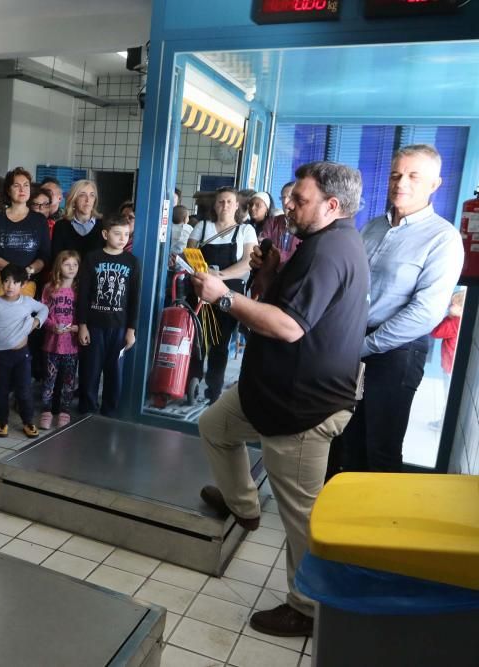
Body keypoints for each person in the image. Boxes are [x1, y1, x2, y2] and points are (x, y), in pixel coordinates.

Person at [192, 161, 369, 638]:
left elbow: (290, 327)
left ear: (332, 206)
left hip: (302, 410)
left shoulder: (330, 252)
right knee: (215, 427)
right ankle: (244, 506)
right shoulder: (316, 245)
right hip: (267, 393)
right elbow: (288, 307)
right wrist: (270, 275)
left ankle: (308, 607)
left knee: (300, 517)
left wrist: (222, 295)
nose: (287, 204)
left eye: (300, 200)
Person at [331, 144, 465, 474]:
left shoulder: (443, 238)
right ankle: (340, 517)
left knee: (381, 446)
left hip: (397, 353)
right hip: (352, 341)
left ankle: (379, 523)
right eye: (395, 174)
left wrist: (364, 346)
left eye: (413, 176)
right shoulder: (372, 227)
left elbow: (426, 311)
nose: (400, 182)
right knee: (345, 435)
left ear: (435, 184)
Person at [184, 187, 257, 403]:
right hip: (200, 289)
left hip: (228, 291)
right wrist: (203, 273)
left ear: (237, 206)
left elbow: (247, 263)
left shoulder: (246, 231)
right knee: (197, 339)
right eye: (220, 202)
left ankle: (213, 391)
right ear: (215, 205)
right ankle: (192, 380)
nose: (224, 205)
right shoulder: (202, 227)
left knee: (220, 342)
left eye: (229, 202)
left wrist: (220, 275)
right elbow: (190, 254)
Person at [76, 216, 139, 417]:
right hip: (94, 324)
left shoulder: (132, 262)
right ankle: (87, 410)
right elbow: (84, 294)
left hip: (119, 327)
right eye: (117, 233)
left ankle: (110, 412)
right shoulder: (92, 258)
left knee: (115, 372)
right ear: (105, 234)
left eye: (126, 234)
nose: (122, 238)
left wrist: (131, 330)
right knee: (90, 370)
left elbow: (134, 298)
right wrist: (82, 324)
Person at [0, 264, 49, 438]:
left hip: (22, 355)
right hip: (0, 355)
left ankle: (28, 421)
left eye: (15, 282)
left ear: (23, 284)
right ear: (1, 283)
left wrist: (36, 322)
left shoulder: (27, 302)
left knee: (24, 390)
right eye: (6, 281)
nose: (10, 286)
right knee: (1, 390)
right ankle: (2, 421)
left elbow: (44, 309)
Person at [0, 167, 50, 289]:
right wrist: (14, 272)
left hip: (28, 284)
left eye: (26, 185)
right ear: (8, 190)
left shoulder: (40, 220)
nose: (22, 189)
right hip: (0, 283)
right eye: (16, 185)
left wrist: (29, 271)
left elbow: (45, 255)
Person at [40, 251, 80, 429]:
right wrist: (51, 326)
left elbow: (85, 316)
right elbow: (42, 313)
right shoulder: (49, 288)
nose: (71, 268)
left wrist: (78, 327)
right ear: (59, 266)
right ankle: (46, 410)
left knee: (69, 380)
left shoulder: (79, 290)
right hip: (52, 343)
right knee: (49, 379)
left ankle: (65, 410)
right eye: (67, 264)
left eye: (75, 265)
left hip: (72, 345)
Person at [51, 180, 104, 259]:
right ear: (73, 199)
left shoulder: (104, 225)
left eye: (92, 195)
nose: (88, 200)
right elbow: (56, 259)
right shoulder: (61, 226)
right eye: (82, 195)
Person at [256, 181, 300, 270]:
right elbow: (264, 247)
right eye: (283, 198)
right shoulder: (272, 222)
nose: (285, 202)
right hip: (270, 273)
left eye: (290, 197)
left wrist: (276, 255)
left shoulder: (305, 225)